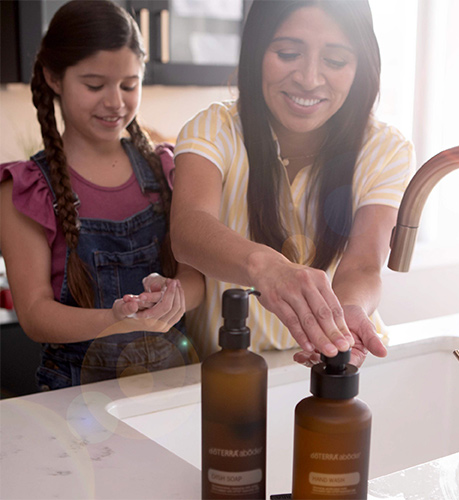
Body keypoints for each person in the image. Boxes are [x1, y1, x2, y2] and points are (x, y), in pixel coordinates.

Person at [170, 0, 415, 367]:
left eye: (334, 61)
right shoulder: (213, 129)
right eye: (287, 53)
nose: (309, 78)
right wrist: (266, 268)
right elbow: (188, 228)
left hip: (332, 361)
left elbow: (364, 265)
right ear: (255, 52)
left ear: (360, 66)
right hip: (228, 372)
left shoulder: (385, 148)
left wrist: (342, 320)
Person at [0, 0, 204, 390]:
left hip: (171, 385)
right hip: (75, 393)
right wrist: (114, 320)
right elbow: (34, 314)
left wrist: (175, 297)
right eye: (94, 85)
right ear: (54, 79)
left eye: (129, 85)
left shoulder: (165, 169)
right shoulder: (27, 188)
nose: (115, 102)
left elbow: (195, 277)